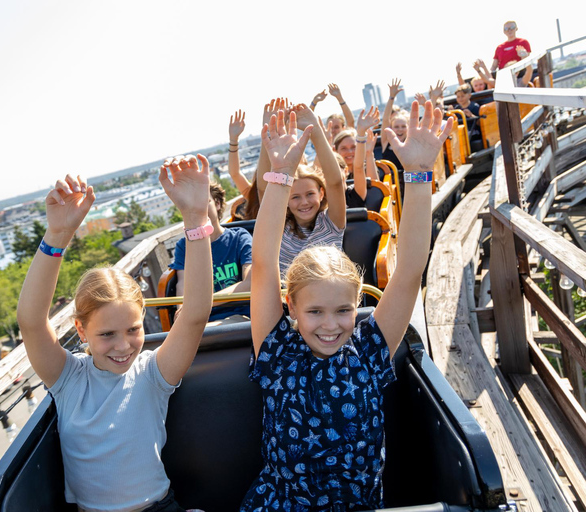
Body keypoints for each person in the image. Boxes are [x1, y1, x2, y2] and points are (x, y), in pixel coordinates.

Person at [241, 102, 453, 511]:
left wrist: (419, 174)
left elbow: (410, 269)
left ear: (358, 304)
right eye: (315, 312)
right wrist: (279, 176)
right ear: (291, 308)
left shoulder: (369, 348)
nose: (330, 325)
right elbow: (265, 264)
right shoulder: (278, 352)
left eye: (343, 311)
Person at [17, 158, 214, 512]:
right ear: (81, 329)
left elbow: (195, 313)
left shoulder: (152, 374)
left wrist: (196, 218)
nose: (123, 346)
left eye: (133, 330)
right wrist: (57, 237)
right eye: (107, 334)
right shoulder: (68, 380)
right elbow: (31, 322)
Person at [271, 103, 347, 276]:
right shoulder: (281, 227)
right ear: (286, 201)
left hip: (328, 290)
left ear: (321, 194)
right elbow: (262, 190)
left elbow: (335, 182)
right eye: (295, 197)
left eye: (310, 194)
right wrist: (270, 135)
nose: (304, 202)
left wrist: (315, 130)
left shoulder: (330, 222)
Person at [170, 181, 252, 323]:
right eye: (191, 206)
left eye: (203, 202)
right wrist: (183, 313)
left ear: (217, 204)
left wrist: (200, 304)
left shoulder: (239, 238)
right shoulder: (184, 246)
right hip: (202, 320)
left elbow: (250, 283)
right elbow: (183, 284)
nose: (198, 210)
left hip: (240, 315)